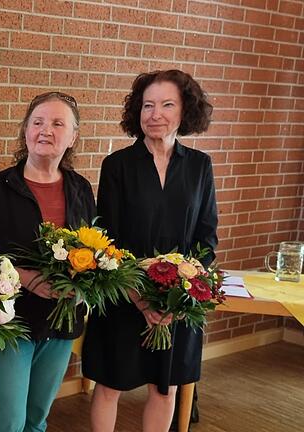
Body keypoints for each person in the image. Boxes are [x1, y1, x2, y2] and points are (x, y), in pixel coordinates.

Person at [82, 69, 218, 432]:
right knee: (110, 384)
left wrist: (180, 296)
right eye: (147, 105)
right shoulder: (117, 166)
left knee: (165, 387)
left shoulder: (200, 167)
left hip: (177, 303)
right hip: (123, 294)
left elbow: (207, 237)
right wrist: (138, 295)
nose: (155, 114)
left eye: (167, 104)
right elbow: (106, 238)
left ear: (185, 110)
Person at [0, 91, 95, 432]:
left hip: (62, 319)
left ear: (73, 137)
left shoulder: (81, 188)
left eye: (58, 123)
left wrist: (81, 283)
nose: (46, 130)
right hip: (11, 319)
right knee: (9, 420)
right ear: (25, 131)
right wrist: (23, 277)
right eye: (37, 122)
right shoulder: (0, 187)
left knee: (37, 417)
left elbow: (93, 250)